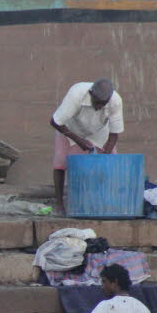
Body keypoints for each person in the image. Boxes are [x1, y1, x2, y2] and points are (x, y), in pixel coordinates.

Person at [50, 78, 123, 214]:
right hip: (70, 128)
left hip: (100, 130)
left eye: (103, 104)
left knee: (110, 163)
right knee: (60, 163)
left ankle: (105, 203)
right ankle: (59, 204)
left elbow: (114, 133)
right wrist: (78, 140)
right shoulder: (76, 94)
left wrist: (105, 156)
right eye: (97, 103)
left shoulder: (115, 100)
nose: (99, 107)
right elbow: (55, 121)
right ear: (91, 93)